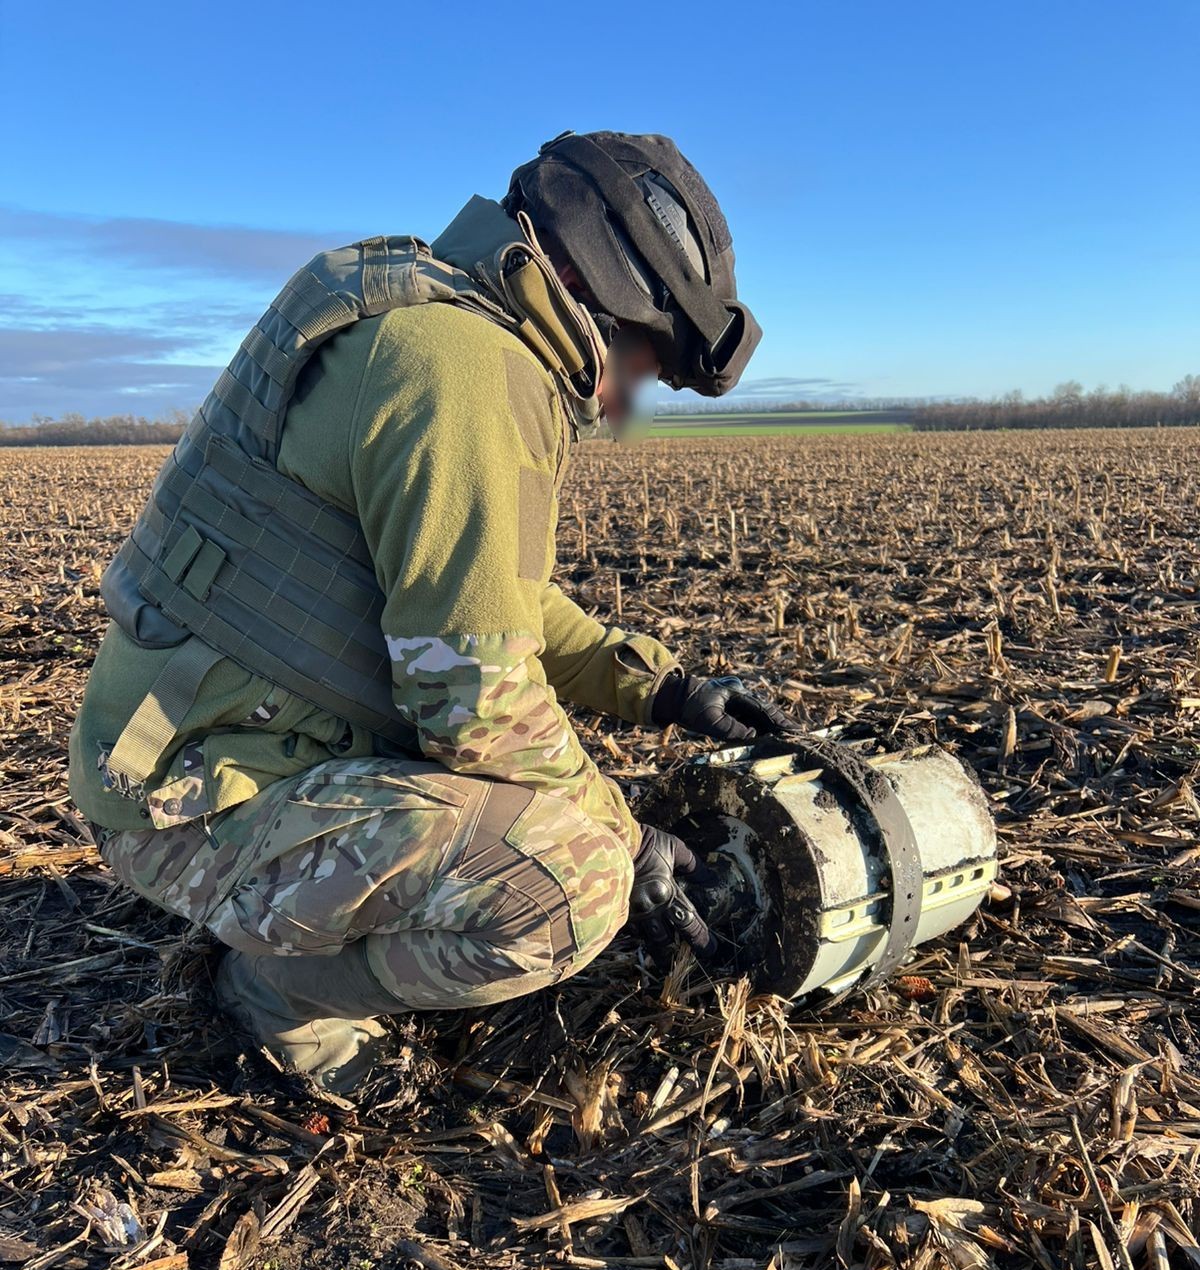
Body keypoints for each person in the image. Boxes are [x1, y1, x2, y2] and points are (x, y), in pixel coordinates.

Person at [68, 130, 799, 1099]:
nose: (623, 403)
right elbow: (476, 701)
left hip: (199, 747)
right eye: (640, 364)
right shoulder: (465, 371)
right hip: (197, 803)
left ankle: (298, 915)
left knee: (541, 803)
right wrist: (626, 842)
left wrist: (662, 688)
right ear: (589, 284)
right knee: (570, 885)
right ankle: (277, 993)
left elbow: (492, 592)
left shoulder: (423, 319)